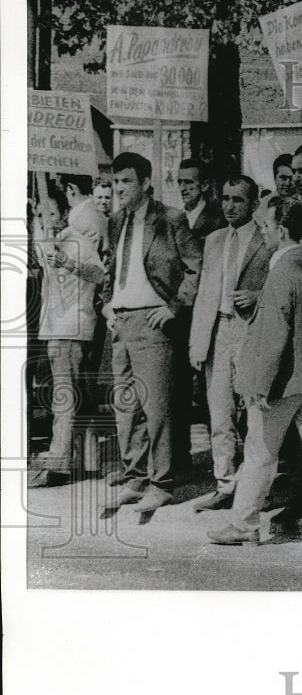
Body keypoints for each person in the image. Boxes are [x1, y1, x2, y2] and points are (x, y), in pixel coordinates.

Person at [207, 197, 302, 554]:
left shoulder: (281, 272)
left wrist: (259, 386)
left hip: (281, 384)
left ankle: (244, 525)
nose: (262, 232)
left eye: (265, 227)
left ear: (282, 230)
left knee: (259, 452)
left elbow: (274, 335)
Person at [103, 152, 202, 512]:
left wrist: (174, 306)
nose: (119, 189)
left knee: (157, 408)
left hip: (153, 322)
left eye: (126, 181)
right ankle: (136, 477)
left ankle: (162, 482)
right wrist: (106, 303)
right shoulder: (115, 222)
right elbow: (111, 269)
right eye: (115, 182)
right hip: (120, 322)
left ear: (145, 183)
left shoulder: (170, 219)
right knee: (126, 408)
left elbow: (196, 268)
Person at [189, 175, 272, 511]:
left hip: (250, 331)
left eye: (238, 200)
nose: (229, 206)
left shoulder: (266, 241)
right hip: (219, 331)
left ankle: (256, 488)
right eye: (225, 198)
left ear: (252, 204)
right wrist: (198, 342)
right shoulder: (214, 240)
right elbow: (204, 294)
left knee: (254, 413)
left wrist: (257, 297)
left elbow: (282, 289)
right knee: (220, 413)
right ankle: (224, 484)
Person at [29, 185, 106, 487]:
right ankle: (88, 461)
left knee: (64, 396)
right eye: (39, 214)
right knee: (75, 395)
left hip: (72, 326)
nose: (45, 218)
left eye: (51, 212)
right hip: (54, 326)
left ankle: (60, 464)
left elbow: (99, 275)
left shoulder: (77, 240)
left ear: (63, 213)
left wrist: (69, 263)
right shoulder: (48, 243)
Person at [177, 158, 226, 240]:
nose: (182, 188)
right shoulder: (174, 218)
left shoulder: (219, 220)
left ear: (204, 186)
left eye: (188, 182)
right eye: (179, 182)